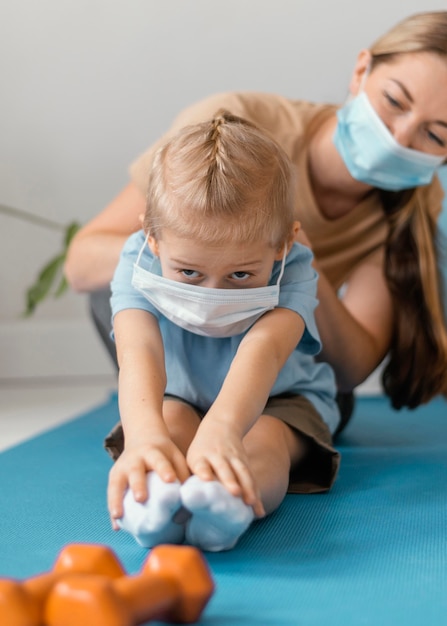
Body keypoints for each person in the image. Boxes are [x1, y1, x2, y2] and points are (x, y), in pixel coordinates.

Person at [65, 10, 447, 422]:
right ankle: (170, 408)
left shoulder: (412, 206)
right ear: (361, 70)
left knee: (320, 400)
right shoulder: (232, 123)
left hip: (281, 370)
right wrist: (199, 262)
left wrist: (297, 265)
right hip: (174, 344)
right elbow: (81, 265)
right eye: (393, 101)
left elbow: (351, 369)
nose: (398, 138)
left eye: (436, 134)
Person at [107, 111, 340, 552]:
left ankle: (225, 507)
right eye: (190, 272)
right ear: (153, 239)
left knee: (265, 442)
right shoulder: (136, 261)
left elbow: (266, 350)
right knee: (167, 428)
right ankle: (151, 507)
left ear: (282, 245)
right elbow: (139, 351)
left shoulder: (295, 267)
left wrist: (225, 427)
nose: (212, 293)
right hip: (177, 392)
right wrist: (143, 438)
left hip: (281, 397)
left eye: (239, 275)